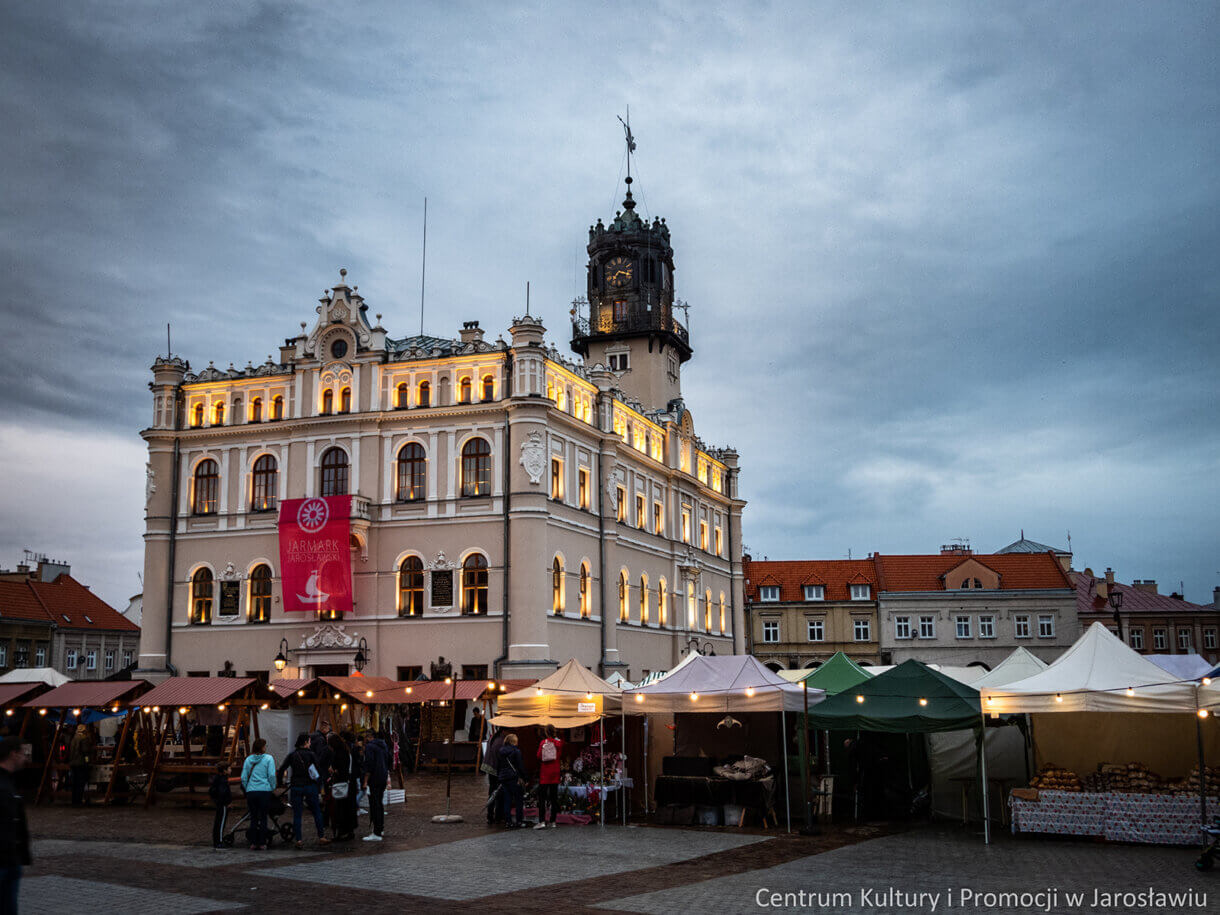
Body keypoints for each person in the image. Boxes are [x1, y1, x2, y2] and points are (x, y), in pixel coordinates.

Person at [279, 734, 330, 849]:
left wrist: (280, 782)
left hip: (296, 786)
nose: (310, 744)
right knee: (316, 811)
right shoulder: (311, 754)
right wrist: (319, 785)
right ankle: (321, 836)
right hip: (310, 785)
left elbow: (282, 768)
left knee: (297, 814)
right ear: (306, 742)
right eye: (309, 742)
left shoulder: (292, 755)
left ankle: (299, 839)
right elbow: (318, 770)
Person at [0, 737, 31, 913]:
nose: (25, 757)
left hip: (12, 859)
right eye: (22, 753)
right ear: (13, 754)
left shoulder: (10, 781)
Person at [240, 738, 276, 850]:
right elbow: (271, 775)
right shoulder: (269, 758)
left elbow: (243, 777)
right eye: (265, 746)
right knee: (263, 817)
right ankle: (262, 842)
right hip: (264, 790)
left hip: (251, 791)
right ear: (262, 747)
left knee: (254, 817)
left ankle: (253, 842)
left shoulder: (248, 759)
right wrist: (272, 787)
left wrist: (247, 788)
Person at [361, 730, 390, 841]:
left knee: (374, 804)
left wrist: (365, 781)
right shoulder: (383, 745)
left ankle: (376, 832)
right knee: (379, 803)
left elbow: (369, 764)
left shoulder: (370, 747)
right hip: (382, 777)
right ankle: (380, 828)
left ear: (369, 737)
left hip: (374, 778)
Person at [327, 732, 357, 841]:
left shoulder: (339, 753)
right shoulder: (347, 750)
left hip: (342, 784)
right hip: (350, 783)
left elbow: (340, 769)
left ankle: (342, 832)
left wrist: (333, 770)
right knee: (348, 808)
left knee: (341, 808)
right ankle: (349, 831)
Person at [534, 724, 563, 829]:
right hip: (555, 772)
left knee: (542, 798)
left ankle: (542, 821)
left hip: (545, 773)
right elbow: (559, 755)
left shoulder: (543, 742)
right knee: (554, 798)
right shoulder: (559, 743)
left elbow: (538, 755)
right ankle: (553, 821)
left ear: (546, 732)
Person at [497, 733, 525, 828]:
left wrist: (499, 777)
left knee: (507, 800)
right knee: (518, 800)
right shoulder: (516, 751)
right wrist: (525, 777)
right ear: (514, 741)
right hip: (514, 777)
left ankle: (508, 821)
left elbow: (499, 766)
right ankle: (519, 821)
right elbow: (520, 766)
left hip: (504, 778)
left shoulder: (501, 751)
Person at [483, 727, 506, 825]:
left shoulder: (494, 737)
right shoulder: (500, 741)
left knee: (493, 792)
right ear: (504, 731)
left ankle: (491, 815)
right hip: (495, 769)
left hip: (491, 767)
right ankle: (495, 815)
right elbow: (500, 758)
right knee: (497, 792)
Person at [209, 760, 233, 849]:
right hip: (223, 804)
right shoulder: (223, 780)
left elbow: (211, 791)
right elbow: (223, 792)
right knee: (221, 823)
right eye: (229, 768)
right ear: (224, 770)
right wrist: (227, 802)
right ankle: (219, 842)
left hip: (219, 803)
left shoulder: (217, 778)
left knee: (218, 822)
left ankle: (217, 840)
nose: (231, 770)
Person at [68, 724, 93, 807]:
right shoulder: (84, 738)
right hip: (81, 763)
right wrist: (88, 762)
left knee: (74, 783)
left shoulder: (74, 738)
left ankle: (74, 800)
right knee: (80, 783)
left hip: (73, 763)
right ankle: (78, 800)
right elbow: (86, 752)